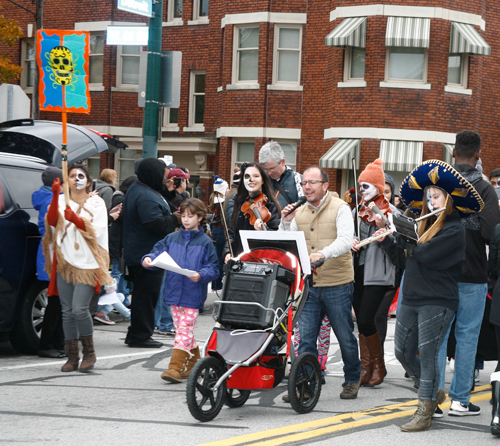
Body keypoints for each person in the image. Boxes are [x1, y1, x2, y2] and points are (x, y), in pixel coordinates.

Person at [376, 159, 483, 432]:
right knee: (401, 352)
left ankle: (425, 411)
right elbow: (403, 260)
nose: (432, 201)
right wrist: (386, 240)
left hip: (437, 300)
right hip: (412, 295)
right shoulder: (422, 226)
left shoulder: (455, 229)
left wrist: (403, 233)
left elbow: (424, 255)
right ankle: (432, 392)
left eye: (436, 197)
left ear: (448, 199)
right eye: (429, 197)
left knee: (428, 353)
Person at [280, 166, 361, 400]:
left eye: (312, 182)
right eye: (304, 182)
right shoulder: (300, 211)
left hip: (338, 284)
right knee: (305, 339)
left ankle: (353, 379)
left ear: (325, 186)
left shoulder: (341, 208)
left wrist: (323, 254)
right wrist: (286, 223)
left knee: (345, 336)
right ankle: (306, 384)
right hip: (309, 285)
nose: (307, 186)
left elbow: (347, 240)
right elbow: (288, 243)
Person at [437, 130, 500, 416]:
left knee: (437, 338)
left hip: (439, 271)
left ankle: (432, 399)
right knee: (467, 337)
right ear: (478, 156)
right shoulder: (485, 189)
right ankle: (460, 400)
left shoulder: (439, 184)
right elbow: (490, 233)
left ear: (453, 153)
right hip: (473, 271)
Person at [43, 163, 112, 372]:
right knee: (67, 311)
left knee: (79, 309)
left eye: (81, 176)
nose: (76, 179)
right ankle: (72, 356)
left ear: (89, 182)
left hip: (88, 263)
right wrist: (55, 196)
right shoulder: (62, 200)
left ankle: (89, 353)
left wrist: (78, 221)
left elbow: (98, 231)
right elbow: (52, 224)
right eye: (72, 176)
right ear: (67, 181)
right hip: (66, 260)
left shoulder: (97, 203)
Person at [142, 198, 219, 383]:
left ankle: (175, 368)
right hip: (173, 292)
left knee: (183, 330)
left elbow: (214, 268)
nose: (185, 219)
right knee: (183, 330)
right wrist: (148, 259)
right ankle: (193, 364)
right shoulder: (171, 238)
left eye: (190, 216)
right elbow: (157, 252)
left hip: (192, 294)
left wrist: (201, 275)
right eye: (183, 215)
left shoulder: (205, 242)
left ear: (200, 217)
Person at [352, 160, 400, 387]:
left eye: (367, 186)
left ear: (379, 188)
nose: (362, 191)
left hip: (379, 272)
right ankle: (366, 366)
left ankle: (378, 365)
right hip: (358, 271)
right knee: (361, 322)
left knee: (366, 318)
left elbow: (400, 246)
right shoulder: (356, 211)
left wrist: (386, 226)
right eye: (360, 186)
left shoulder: (391, 212)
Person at [123, 158, 181, 348]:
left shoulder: (138, 189)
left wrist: (168, 192)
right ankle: (141, 335)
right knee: (146, 297)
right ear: (152, 174)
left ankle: (137, 333)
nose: (165, 177)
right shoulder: (145, 195)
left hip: (140, 252)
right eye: (162, 174)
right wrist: (174, 218)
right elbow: (154, 223)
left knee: (142, 296)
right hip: (147, 254)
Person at [32, 166, 66, 359]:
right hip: (53, 254)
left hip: (49, 254)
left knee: (57, 302)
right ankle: (48, 344)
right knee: (55, 303)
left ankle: (57, 343)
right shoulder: (54, 200)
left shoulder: (42, 197)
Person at [224, 162, 281, 261]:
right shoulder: (239, 203)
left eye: (256, 176)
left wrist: (263, 231)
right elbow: (232, 233)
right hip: (240, 258)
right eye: (247, 176)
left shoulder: (271, 205)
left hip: (262, 259)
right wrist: (228, 252)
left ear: (263, 180)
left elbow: (278, 236)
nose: (251, 179)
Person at [258, 141, 303, 209]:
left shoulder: (299, 181)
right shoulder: (260, 180)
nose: (269, 173)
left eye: (272, 168)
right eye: (265, 169)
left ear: (282, 162)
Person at [208, 175, 229, 291]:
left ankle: (216, 284)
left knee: (218, 258)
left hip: (216, 230)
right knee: (220, 259)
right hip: (221, 231)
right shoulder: (221, 202)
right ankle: (217, 284)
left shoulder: (214, 199)